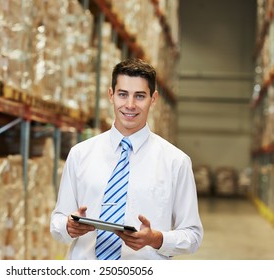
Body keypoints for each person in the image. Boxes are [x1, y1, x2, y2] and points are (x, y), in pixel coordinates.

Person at [50, 58, 203, 260]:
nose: (130, 105)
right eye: (123, 94)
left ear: (153, 98)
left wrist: (156, 239)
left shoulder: (176, 162)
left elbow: (192, 235)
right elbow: (58, 221)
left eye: (140, 96)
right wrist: (68, 226)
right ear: (111, 95)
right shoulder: (80, 154)